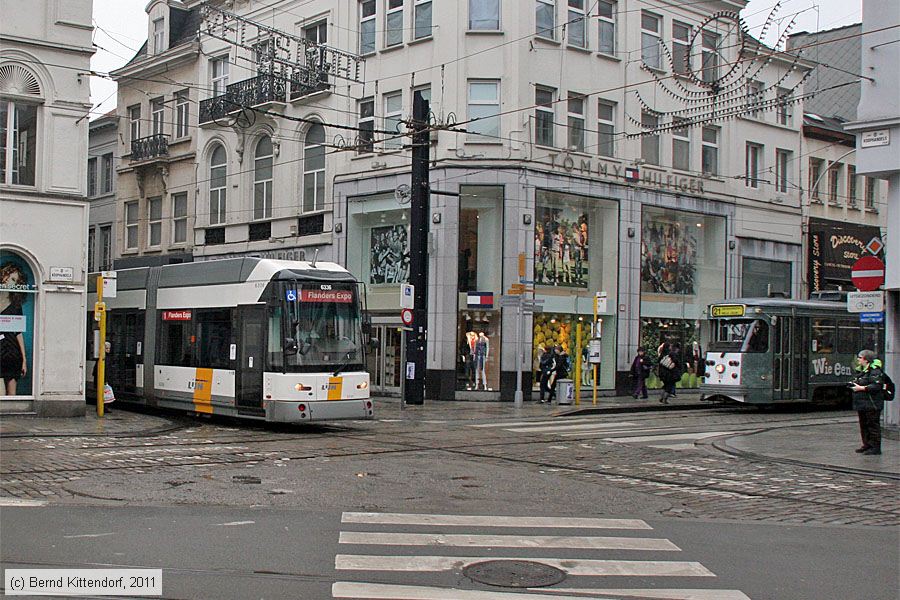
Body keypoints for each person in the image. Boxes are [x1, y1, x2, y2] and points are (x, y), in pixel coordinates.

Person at [850, 349, 885, 455]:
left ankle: (875, 447)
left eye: (860, 358)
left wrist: (862, 388)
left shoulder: (875, 371)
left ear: (866, 360)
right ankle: (867, 445)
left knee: (872, 425)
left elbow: (876, 386)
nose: (858, 360)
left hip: (872, 404)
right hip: (863, 404)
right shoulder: (862, 370)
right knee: (864, 425)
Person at [0, 263, 28, 396]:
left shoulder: (15, 305)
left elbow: (18, 333)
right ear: (4, 276)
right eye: (12, 279)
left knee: (11, 396)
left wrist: (24, 360)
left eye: (16, 281)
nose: (13, 284)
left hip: (12, 353)